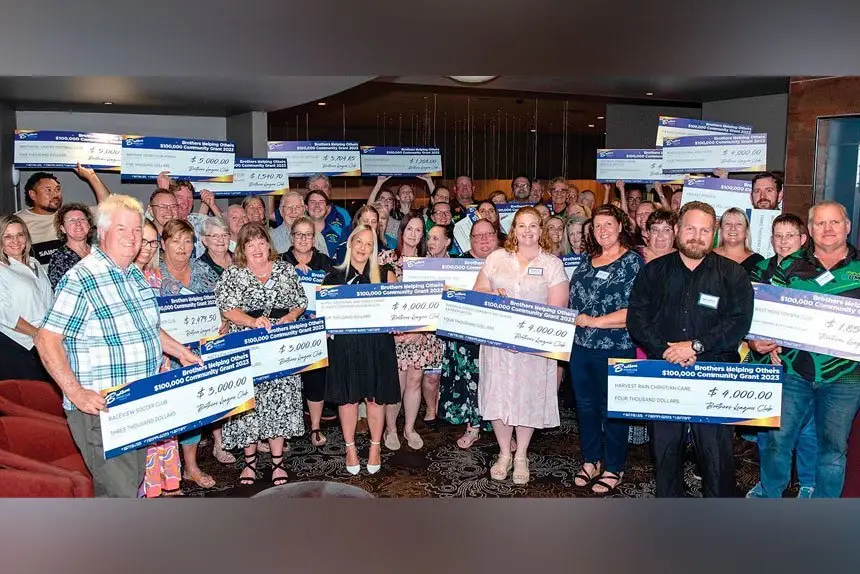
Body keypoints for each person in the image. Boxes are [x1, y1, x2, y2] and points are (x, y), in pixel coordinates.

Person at [34, 195, 200, 497]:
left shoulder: (133, 274)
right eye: (122, 229)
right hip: (102, 408)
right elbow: (46, 339)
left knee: (130, 480)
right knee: (119, 490)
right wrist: (75, 392)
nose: (132, 238)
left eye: (137, 230)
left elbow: (147, 328)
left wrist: (179, 351)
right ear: (103, 231)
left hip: (137, 402)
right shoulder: (82, 278)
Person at [627, 201, 754, 498]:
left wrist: (696, 346)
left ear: (714, 234)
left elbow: (738, 322)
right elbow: (637, 318)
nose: (697, 236)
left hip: (714, 373)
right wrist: (666, 350)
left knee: (716, 454)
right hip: (665, 371)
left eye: (705, 230)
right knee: (665, 449)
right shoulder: (653, 272)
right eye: (690, 228)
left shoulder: (733, 274)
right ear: (677, 230)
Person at [753, 201, 860, 498]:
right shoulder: (788, 266)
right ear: (810, 230)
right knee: (777, 440)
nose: (827, 229)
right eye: (820, 223)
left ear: (847, 227)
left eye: (835, 222)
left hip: (846, 378)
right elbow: (764, 313)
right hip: (792, 372)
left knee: (834, 449)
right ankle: (769, 495)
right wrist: (759, 339)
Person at [474, 206, 569, 484]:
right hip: (498, 345)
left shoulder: (552, 264)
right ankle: (504, 452)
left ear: (541, 229)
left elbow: (557, 308)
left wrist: (528, 340)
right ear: (513, 229)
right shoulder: (496, 258)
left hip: (534, 348)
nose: (527, 231)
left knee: (528, 396)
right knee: (498, 394)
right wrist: (493, 292)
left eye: (533, 225)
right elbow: (477, 291)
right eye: (521, 225)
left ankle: (522, 454)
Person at [215, 222, 307, 487]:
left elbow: (300, 302)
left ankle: (278, 462)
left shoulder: (285, 269)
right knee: (248, 408)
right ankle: (250, 464)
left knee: (279, 402)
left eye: (260, 242)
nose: (256, 248)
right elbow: (227, 308)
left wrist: (289, 317)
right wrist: (251, 322)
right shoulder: (233, 273)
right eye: (249, 244)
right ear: (242, 249)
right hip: (246, 348)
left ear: (269, 244)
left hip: (279, 349)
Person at [568, 205, 644, 494]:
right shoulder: (587, 261)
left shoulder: (633, 263)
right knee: (585, 407)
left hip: (615, 347)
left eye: (608, 224)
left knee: (613, 410)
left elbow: (636, 311)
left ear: (620, 226)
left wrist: (596, 321)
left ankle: (614, 466)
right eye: (597, 226)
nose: (602, 231)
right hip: (580, 348)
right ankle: (591, 460)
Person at [743, 213, 816, 498]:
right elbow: (747, 311)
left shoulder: (816, 271)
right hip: (764, 360)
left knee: (806, 428)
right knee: (766, 428)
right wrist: (754, 341)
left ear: (802, 239)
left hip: (802, 362)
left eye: (790, 236)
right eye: (778, 236)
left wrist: (785, 345)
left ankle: (808, 483)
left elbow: (815, 318)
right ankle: (770, 484)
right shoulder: (758, 269)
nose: (783, 242)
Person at [323, 225, 400, 474]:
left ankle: (375, 447)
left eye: (369, 244)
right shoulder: (332, 276)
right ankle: (350, 448)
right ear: (350, 243)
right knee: (348, 398)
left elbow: (397, 310)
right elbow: (324, 316)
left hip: (376, 345)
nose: (363, 248)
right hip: (346, 347)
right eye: (359, 242)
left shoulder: (385, 274)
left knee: (376, 398)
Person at [158, 219, 222, 488]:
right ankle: (163, 468)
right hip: (165, 355)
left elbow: (220, 303)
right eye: (176, 241)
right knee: (168, 413)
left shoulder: (203, 270)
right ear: (163, 244)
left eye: (187, 241)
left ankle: (191, 466)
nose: (182, 247)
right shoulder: (153, 274)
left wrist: (223, 324)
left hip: (198, 352)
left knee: (192, 410)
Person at [380, 212, 444, 451]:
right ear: (402, 231)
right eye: (410, 229)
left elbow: (437, 300)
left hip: (422, 333)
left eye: (419, 230)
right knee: (396, 383)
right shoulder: (385, 258)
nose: (414, 234)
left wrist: (419, 330)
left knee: (415, 381)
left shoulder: (430, 263)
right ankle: (391, 429)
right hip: (394, 333)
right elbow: (378, 297)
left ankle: (409, 428)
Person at [439, 219, 499, 448]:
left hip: (498, 333)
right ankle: (473, 427)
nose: (484, 239)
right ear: (470, 239)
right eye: (478, 235)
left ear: (496, 235)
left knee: (498, 379)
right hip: (466, 335)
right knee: (469, 379)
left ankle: (503, 427)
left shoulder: (507, 261)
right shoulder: (457, 263)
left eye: (488, 234)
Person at [281, 216, 336, 446]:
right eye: (299, 234)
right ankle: (283, 431)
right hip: (287, 329)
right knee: (287, 381)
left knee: (316, 378)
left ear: (314, 238)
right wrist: (291, 275)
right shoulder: (280, 262)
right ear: (291, 237)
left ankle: (314, 427)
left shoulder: (324, 262)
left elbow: (333, 294)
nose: (303, 239)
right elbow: (272, 296)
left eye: (308, 234)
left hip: (315, 330)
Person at [16, 165, 111, 264]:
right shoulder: (18, 221)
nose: (55, 195)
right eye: (48, 190)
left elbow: (110, 207)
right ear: (33, 195)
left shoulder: (71, 215)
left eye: (57, 189)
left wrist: (91, 176)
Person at [0, 215, 53, 381]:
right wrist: (38, 335)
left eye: (20, 234)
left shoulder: (35, 263)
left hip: (45, 341)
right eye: (7, 236)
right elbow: (5, 314)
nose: (15, 241)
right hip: (19, 346)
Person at [47, 202, 95, 289]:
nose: (78, 223)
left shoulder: (99, 252)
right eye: (71, 220)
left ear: (88, 225)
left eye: (82, 219)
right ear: (63, 229)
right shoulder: (58, 259)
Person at [270, 191, 328, 255]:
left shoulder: (317, 236)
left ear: (303, 211)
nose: (294, 211)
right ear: (281, 211)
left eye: (298, 207)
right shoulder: (271, 237)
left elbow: (325, 263)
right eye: (289, 207)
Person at [714, 207, 764, 275]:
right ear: (721, 230)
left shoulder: (758, 262)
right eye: (728, 224)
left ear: (746, 231)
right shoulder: (707, 257)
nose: (733, 228)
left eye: (739, 224)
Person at [306, 190, 345, 258]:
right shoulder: (298, 233)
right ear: (306, 207)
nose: (317, 206)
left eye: (321, 202)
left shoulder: (339, 232)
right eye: (312, 202)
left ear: (327, 208)